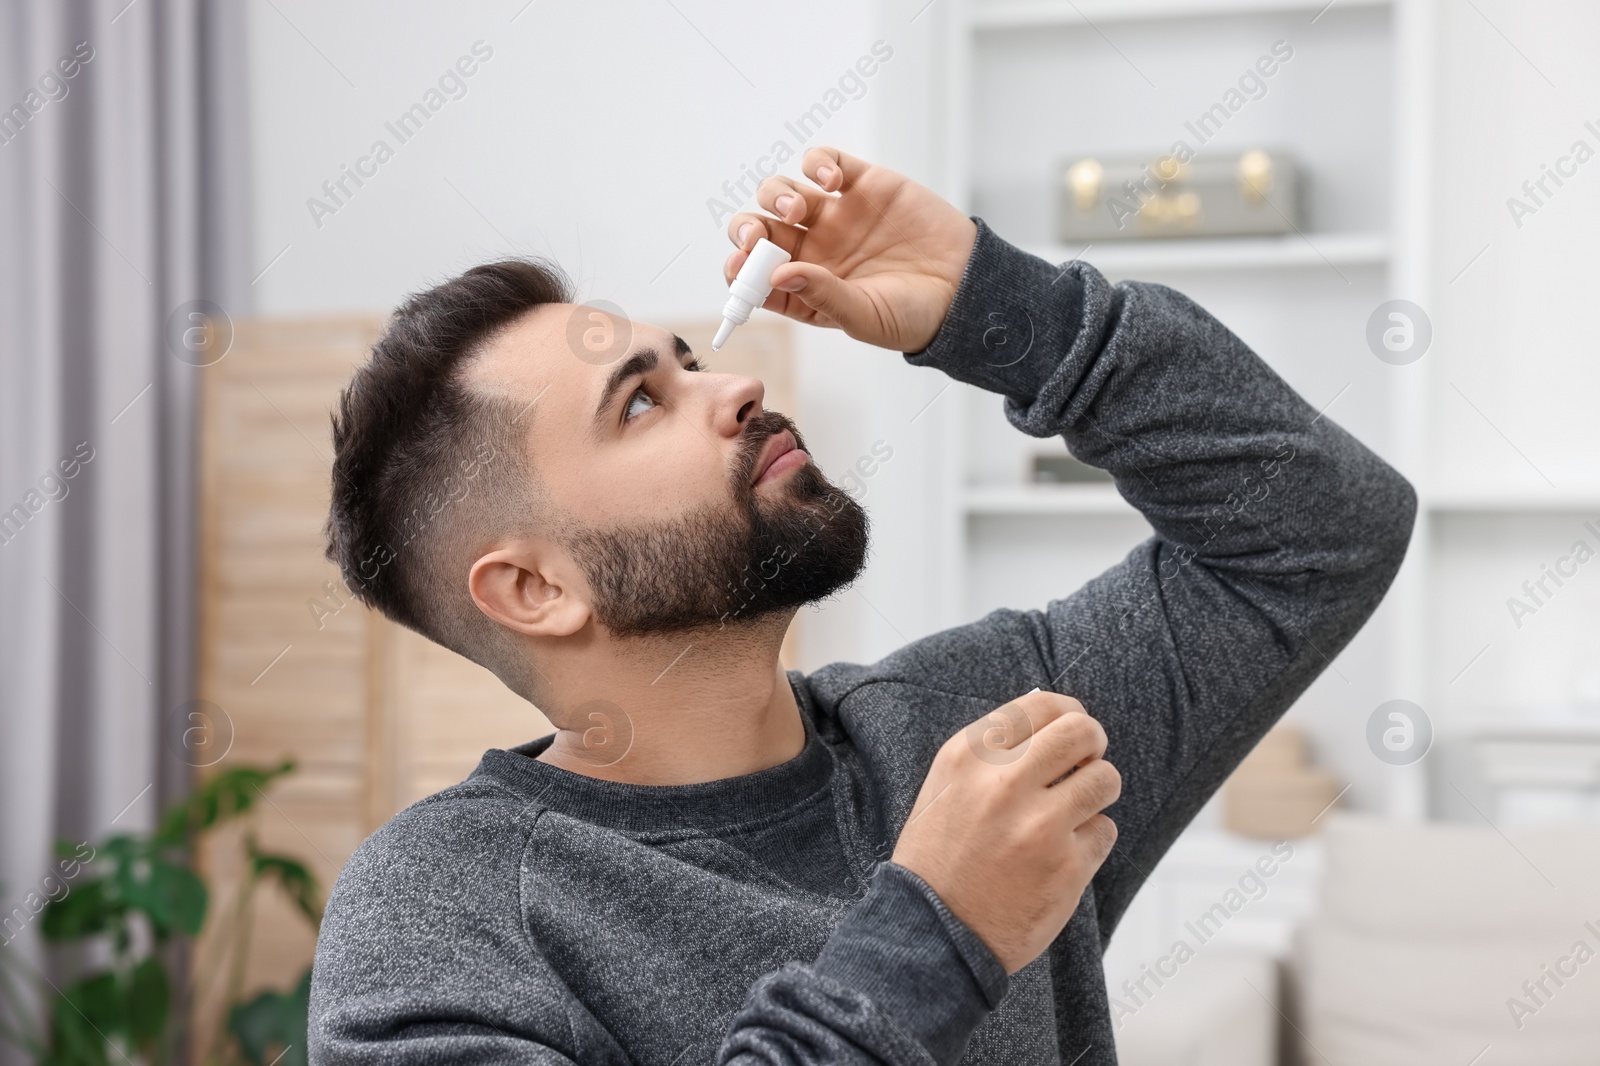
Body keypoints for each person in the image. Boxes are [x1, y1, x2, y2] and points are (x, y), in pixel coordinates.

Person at [307, 145, 1415, 1065]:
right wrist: (934, 933)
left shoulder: (976, 727)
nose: (733, 386)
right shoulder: (441, 911)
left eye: (687, 358)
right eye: (641, 401)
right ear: (535, 589)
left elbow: (1322, 528)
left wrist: (1001, 307)